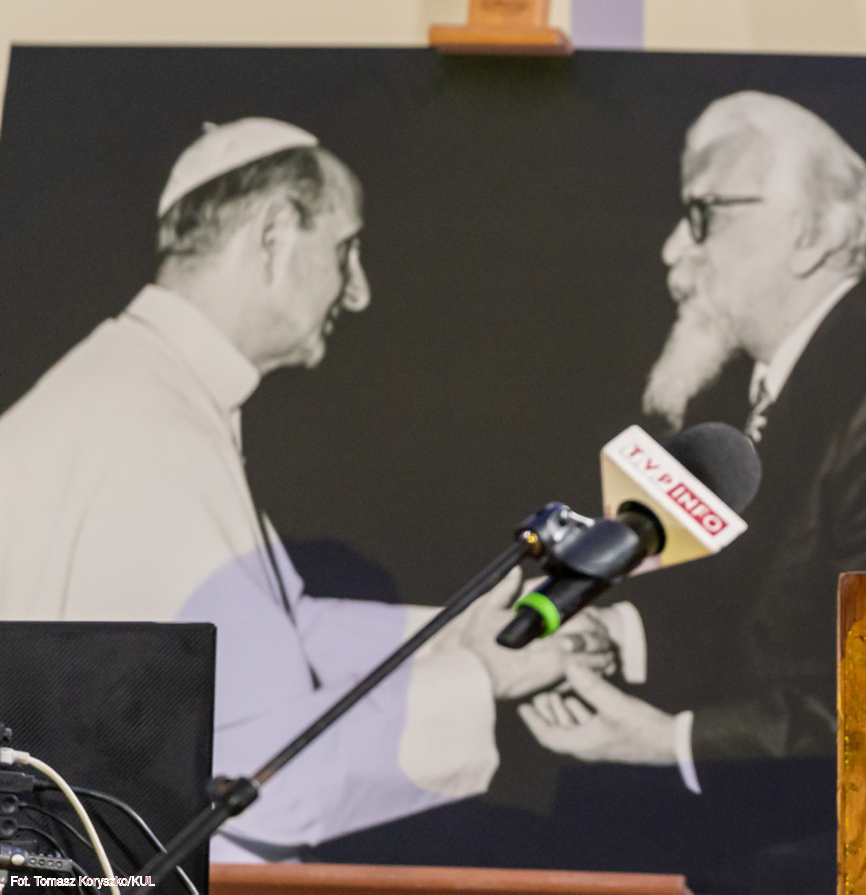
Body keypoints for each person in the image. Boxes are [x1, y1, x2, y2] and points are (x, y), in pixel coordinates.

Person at [0, 118, 609, 859]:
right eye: (345, 250)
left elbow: (273, 638)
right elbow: (250, 780)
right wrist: (479, 678)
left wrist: (463, 634)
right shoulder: (150, 436)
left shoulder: (133, 386)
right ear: (274, 234)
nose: (359, 292)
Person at [518, 91, 866, 781]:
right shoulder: (744, 395)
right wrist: (610, 636)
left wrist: (676, 743)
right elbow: (745, 614)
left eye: (704, 212)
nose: (673, 249)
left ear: (812, 233)